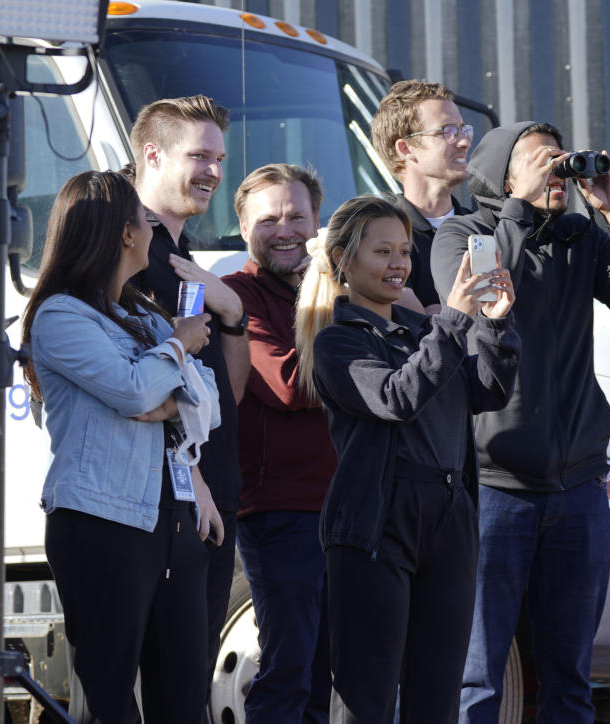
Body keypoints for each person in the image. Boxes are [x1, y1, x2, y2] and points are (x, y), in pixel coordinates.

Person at [429, 122, 610, 722]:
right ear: (501, 175)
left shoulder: (578, 237)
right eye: (542, 162)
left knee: (571, 679)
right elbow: (489, 295)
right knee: (478, 677)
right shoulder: (465, 233)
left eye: (560, 161)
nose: (558, 173)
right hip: (495, 486)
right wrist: (517, 207)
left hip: (579, 489)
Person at [296, 195, 520, 724]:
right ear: (344, 261)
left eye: (403, 251)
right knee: (366, 694)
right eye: (382, 252)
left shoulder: (425, 331)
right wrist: (453, 322)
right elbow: (397, 398)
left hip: (448, 515)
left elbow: (486, 391)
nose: (399, 263)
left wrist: (493, 324)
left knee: (438, 693)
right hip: (377, 522)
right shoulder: (337, 341)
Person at [22, 170, 223, 724]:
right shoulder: (60, 315)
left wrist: (163, 386)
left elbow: (205, 405)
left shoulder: (142, 315)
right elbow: (135, 392)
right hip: (100, 520)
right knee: (110, 699)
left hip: (171, 519)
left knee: (184, 698)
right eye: (143, 217)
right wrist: (177, 351)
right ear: (123, 233)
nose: (154, 227)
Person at [129, 94, 250, 702]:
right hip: (162, 500)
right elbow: (133, 390)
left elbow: (226, 394)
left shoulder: (187, 261)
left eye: (220, 157)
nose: (213, 171)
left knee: (190, 684)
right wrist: (189, 470)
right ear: (152, 155)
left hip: (211, 492)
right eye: (199, 155)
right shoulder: (121, 251)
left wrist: (231, 313)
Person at [219, 163, 336, 723]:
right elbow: (290, 384)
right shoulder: (239, 296)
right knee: (287, 672)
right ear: (243, 228)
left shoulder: (338, 287)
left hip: (345, 510)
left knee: (322, 675)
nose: (284, 229)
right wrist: (365, 361)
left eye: (297, 216)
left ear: (318, 223)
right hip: (279, 515)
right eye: (268, 219)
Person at [371, 79, 472, 314]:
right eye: (447, 131)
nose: (465, 141)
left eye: (463, 129)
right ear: (406, 149)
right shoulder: (379, 236)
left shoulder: (482, 228)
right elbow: (419, 331)